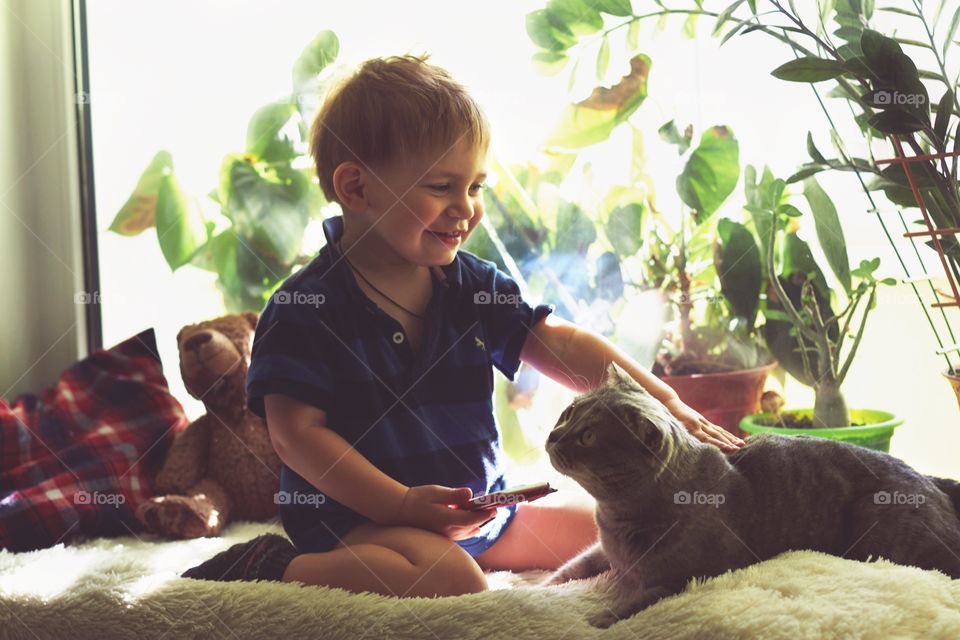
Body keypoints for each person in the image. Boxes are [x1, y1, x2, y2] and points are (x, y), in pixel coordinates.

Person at [181, 53, 744, 597]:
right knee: (452, 582)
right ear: (356, 188)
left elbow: (559, 345)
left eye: (474, 187)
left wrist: (665, 404)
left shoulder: (475, 286)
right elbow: (295, 437)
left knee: (640, 531)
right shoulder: (304, 307)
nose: (466, 208)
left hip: (478, 514)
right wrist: (400, 505)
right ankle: (272, 565)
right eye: (440, 187)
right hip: (359, 521)